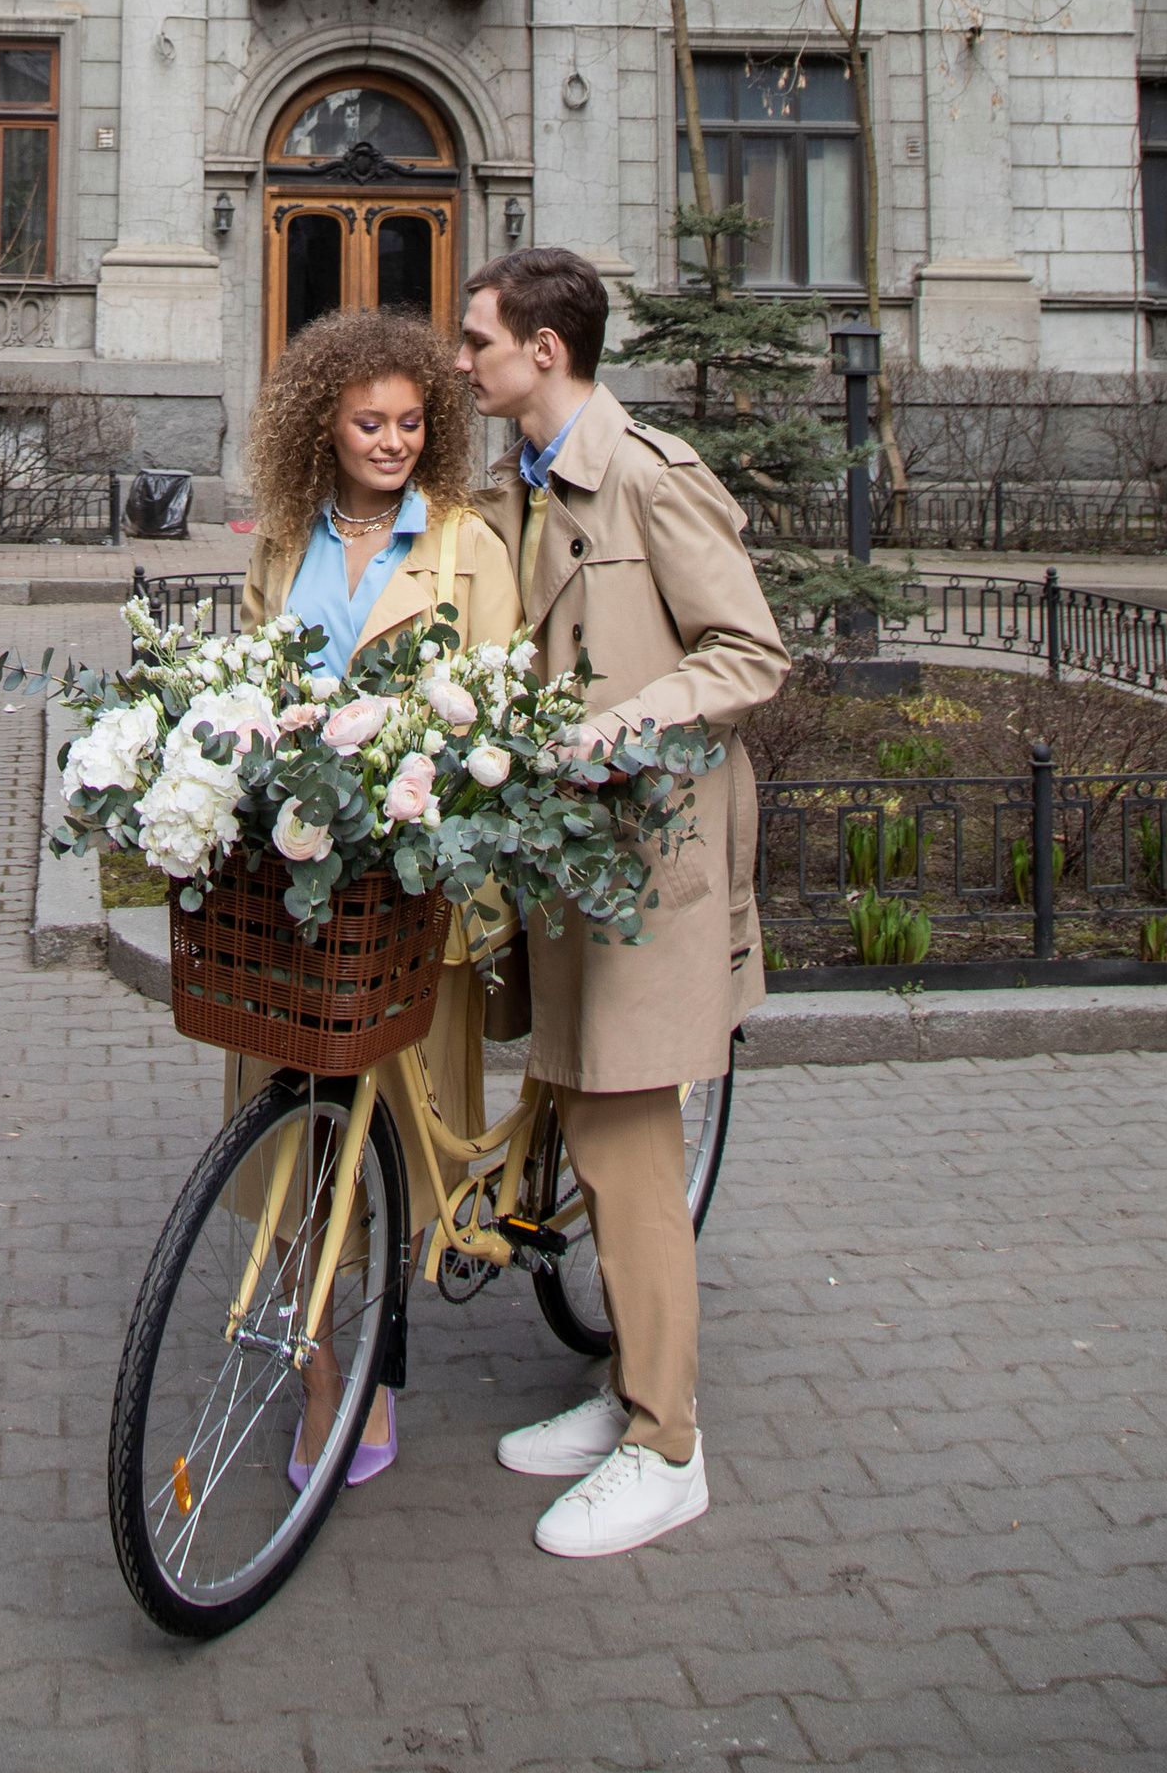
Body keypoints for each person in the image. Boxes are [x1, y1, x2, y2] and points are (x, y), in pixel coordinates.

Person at [455, 243, 788, 1561]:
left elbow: (750, 652)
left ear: (543, 351)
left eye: (479, 341)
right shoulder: (523, 485)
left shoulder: (648, 475)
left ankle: (666, 1444)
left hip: (651, 865)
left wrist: (627, 722)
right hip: (569, 862)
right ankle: (626, 1391)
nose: (462, 361)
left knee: (627, 1146)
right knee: (585, 1119)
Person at [235, 306, 523, 1483]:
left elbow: (496, 713)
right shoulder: (282, 541)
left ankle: (374, 1376)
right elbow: (247, 683)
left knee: (396, 1147)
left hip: (410, 904)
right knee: (293, 1154)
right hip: (290, 895)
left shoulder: (465, 546)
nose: (393, 441)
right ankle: (317, 1380)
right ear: (324, 425)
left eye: (410, 422)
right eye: (369, 423)